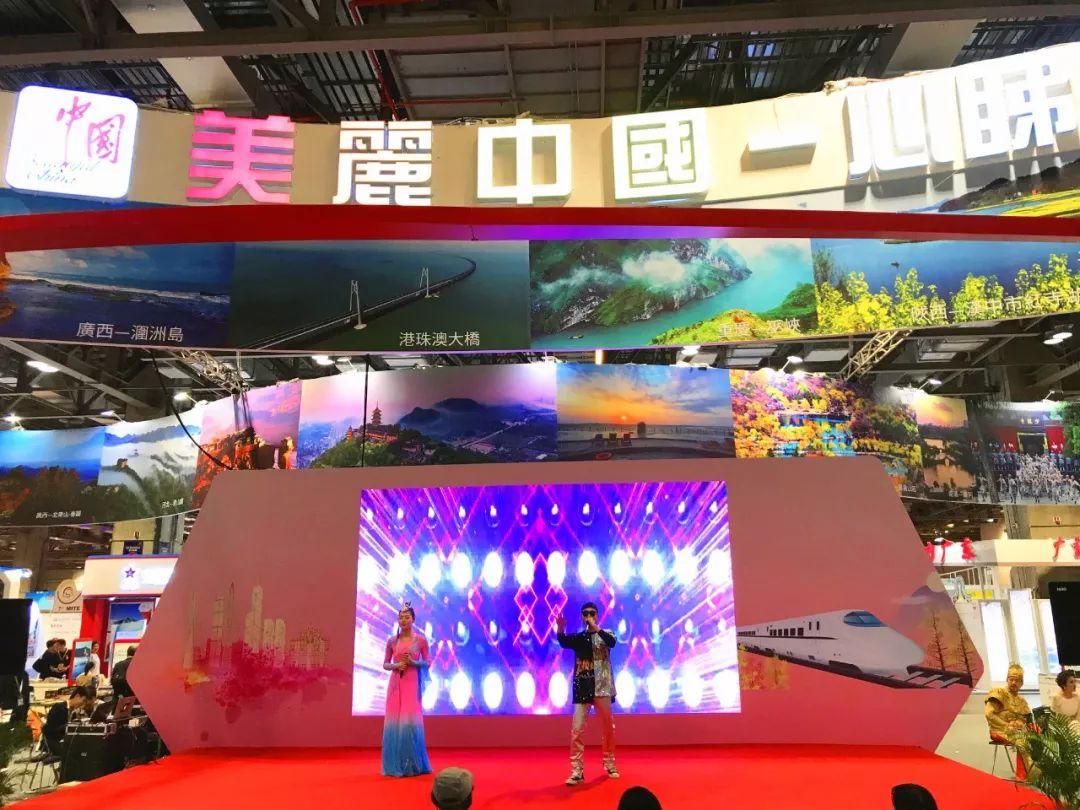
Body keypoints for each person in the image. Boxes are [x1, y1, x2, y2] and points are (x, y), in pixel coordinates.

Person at [556, 600, 619, 786]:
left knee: (608, 727)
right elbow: (564, 642)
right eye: (585, 614)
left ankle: (609, 763)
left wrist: (596, 628)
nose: (589, 616)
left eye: (592, 613)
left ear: (597, 615)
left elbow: (612, 643)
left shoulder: (606, 634)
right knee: (577, 730)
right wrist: (560, 628)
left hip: (602, 687)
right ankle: (577, 770)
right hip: (583, 687)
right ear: (582, 617)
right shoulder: (579, 638)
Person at [381, 602, 432, 777]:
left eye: (407, 617)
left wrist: (414, 663)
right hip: (395, 685)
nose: (403, 620)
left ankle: (413, 765)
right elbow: (385, 664)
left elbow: (428, 662)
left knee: (409, 724)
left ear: (413, 619)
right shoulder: (392, 641)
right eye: (401, 617)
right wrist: (396, 665)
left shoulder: (421, 641)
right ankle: (395, 765)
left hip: (411, 684)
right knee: (394, 724)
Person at [985, 663, 1035, 780]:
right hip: (999, 730)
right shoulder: (999, 693)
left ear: (1021, 683)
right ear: (1007, 679)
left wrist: (1020, 724)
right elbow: (989, 714)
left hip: (1017, 732)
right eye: (1011, 679)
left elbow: (1027, 720)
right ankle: (1023, 777)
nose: (1013, 682)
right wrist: (1007, 725)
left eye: (1017, 680)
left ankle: (1037, 773)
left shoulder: (1022, 701)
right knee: (1022, 742)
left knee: (1037, 738)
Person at [42, 686, 90, 751]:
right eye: (83, 701)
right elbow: (51, 729)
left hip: (66, 741)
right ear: (77, 696)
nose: (83, 705)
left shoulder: (74, 712)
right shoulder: (58, 708)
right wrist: (69, 726)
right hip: (54, 741)